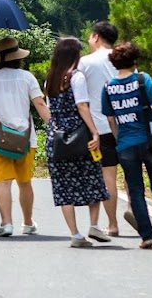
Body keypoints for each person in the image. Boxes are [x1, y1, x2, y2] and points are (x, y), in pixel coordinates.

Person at [0, 36, 52, 237]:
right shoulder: (27, 77)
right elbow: (40, 105)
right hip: (25, 139)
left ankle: (6, 223)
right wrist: (54, 126)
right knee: (25, 182)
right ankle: (27, 223)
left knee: (3, 182)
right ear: (18, 57)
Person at [101, 41, 152, 249]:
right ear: (134, 60)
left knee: (136, 190)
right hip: (150, 142)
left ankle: (146, 236)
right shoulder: (143, 80)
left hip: (125, 144)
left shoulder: (108, 87)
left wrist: (119, 139)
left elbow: (110, 119)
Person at [44, 37, 109, 248]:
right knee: (93, 178)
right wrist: (95, 132)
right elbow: (82, 107)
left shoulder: (50, 79)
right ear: (75, 55)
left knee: (63, 187)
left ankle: (75, 234)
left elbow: (50, 109)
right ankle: (94, 225)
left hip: (57, 138)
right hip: (79, 135)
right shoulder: (76, 77)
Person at [77, 20, 122, 242]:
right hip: (126, 124)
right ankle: (133, 210)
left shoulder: (85, 62)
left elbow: (78, 95)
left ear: (96, 37)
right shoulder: (123, 59)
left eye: (89, 37)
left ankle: (112, 224)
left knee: (107, 176)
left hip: (99, 126)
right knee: (131, 173)